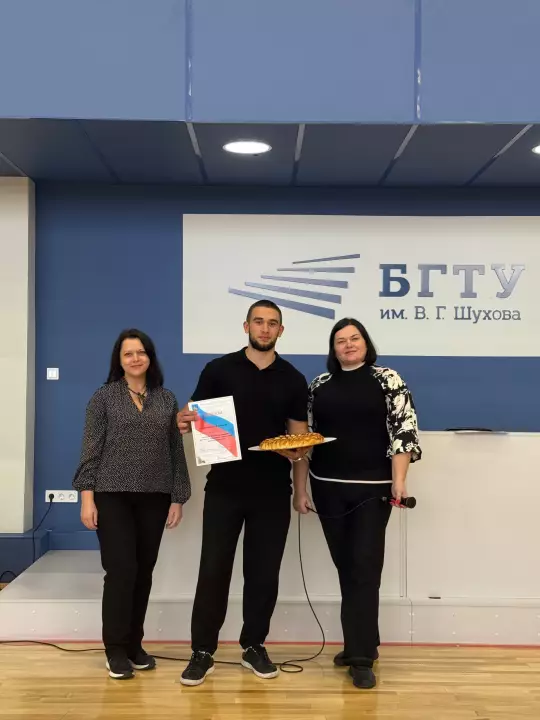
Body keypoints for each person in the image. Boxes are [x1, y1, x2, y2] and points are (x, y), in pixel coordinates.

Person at [177, 300, 309, 686]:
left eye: (272, 323)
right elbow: (194, 416)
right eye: (259, 321)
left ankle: (254, 646)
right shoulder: (218, 370)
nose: (265, 328)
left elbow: (300, 439)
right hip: (225, 488)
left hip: (273, 491)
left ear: (281, 330)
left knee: (263, 573)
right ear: (246, 326)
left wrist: (299, 473)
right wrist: (185, 419)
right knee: (213, 570)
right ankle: (202, 651)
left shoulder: (293, 378)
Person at [293, 318, 421, 690]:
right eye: (341, 340)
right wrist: (300, 489)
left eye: (355, 338)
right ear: (333, 349)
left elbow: (403, 431)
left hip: (373, 490)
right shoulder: (319, 385)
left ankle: (362, 658)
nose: (348, 345)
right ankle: (359, 643)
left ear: (366, 343)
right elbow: (305, 441)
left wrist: (399, 481)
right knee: (347, 568)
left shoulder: (387, 379)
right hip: (327, 488)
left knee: (364, 567)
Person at [72, 329, 191, 680]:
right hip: (112, 496)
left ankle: (134, 644)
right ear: (119, 361)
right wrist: (87, 499)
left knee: (143, 573)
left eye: (141, 352)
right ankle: (115, 648)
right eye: (128, 354)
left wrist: (178, 497)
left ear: (150, 357)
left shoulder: (166, 399)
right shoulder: (103, 398)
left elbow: (175, 452)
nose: (135, 358)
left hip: (155, 497)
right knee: (121, 571)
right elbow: (90, 450)